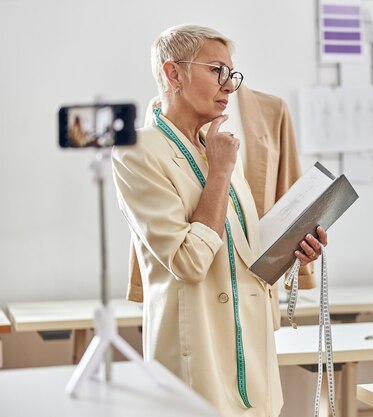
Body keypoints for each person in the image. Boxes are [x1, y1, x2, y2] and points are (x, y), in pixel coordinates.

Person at [112, 24, 327, 416]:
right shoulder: (137, 153)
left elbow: (246, 253)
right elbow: (188, 262)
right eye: (217, 71)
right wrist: (220, 174)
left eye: (233, 74)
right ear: (174, 73)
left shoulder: (217, 148)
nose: (230, 85)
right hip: (196, 366)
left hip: (254, 363)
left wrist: (295, 252)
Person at [127, 82, 315, 330]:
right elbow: (153, 209)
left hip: (258, 289)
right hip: (200, 290)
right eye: (215, 69)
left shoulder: (273, 109)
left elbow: (288, 195)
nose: (226, 82)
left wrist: (300, 249)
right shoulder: (165, 110)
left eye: (227, 69)